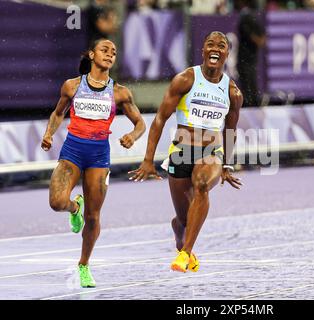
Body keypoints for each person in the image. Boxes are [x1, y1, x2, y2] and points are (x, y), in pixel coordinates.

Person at [128, 31, 243, 273]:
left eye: (221, 45)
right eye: (210, 44)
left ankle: (186, 253)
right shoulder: (185, 79)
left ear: (226, 54)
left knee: (201, 185)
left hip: (212, 152)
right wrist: (148, 160)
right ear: (202, 50)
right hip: (181, 153)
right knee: (184, 219)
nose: (215, 48)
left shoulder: (232, 93)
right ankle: (180, 233)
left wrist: (227, 164)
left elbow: (230, 131)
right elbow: (160, 119)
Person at [41, 39, 146, 287]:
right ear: (91, 54)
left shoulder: (120, 92)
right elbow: (58, 113)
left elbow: (140, 123)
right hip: (73, 151)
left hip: (99, 156)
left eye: (114, 52)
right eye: (104, 50)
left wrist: (132, 136)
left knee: (94, 216)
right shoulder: (72, 86)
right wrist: (48, 133)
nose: (110, 55)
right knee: (57, 202)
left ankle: (84, 265)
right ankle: (74, 208)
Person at [235, 0, 266, 107]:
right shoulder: (252, 17)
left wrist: (257, 39)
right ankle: (252, 105)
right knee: (250, 85)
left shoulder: (246, 18)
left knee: (248, 86)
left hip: (246, 58)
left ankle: (251, 106)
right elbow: (261, 37)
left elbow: (258, 38)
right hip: (249, 58)